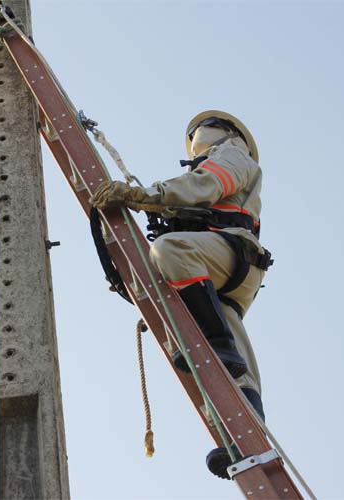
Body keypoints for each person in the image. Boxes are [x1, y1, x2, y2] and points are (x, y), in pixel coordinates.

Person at [89, 110, 272, 479]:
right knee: (209, 348)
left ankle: (218, 343)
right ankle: (239, 435)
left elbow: (206, 185)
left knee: (171, 252)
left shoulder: (233, 153)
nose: (196, 136)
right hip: (220, 265)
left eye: (200, 131)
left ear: (224, 132)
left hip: (226, 253)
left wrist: (143, 196)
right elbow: (195, 194)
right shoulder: (205, 169)